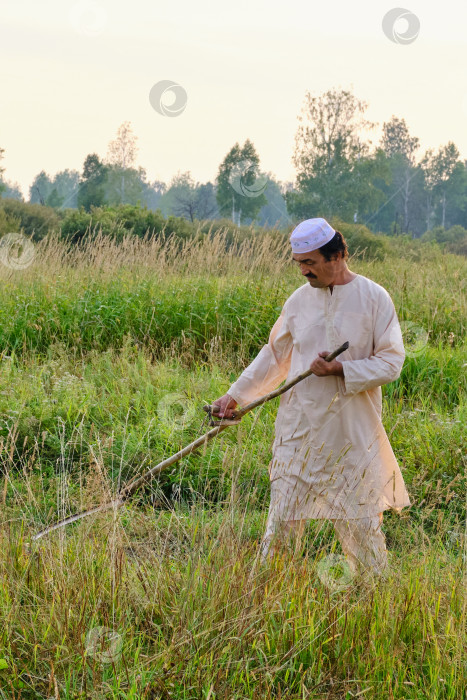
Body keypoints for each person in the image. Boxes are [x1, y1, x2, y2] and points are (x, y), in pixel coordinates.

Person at [212, 217, 411, 577]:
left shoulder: (373, 297)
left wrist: (341, 370)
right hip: (299, 432)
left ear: (336, 256)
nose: (303, 271)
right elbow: (274, 356)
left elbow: (392, 362)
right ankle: (267, 596)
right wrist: (234, 395)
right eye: (299, 264)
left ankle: (375, 603)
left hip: (352, 434)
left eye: (310, 263)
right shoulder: (298, 302)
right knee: (282, 527)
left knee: (362, 530)